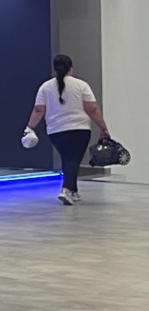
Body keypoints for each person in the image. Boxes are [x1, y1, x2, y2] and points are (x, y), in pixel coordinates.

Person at [25, 54, 110, 206]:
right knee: (73, 159)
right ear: (71, 68)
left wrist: (30, 127)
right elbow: (92, 109)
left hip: (55, 131)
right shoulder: (81, 85)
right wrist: (103, 128)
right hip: (79, 129)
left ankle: (74, 191)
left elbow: (38, 110)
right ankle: (66, 190)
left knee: (68, 159)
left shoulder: (45, 87)